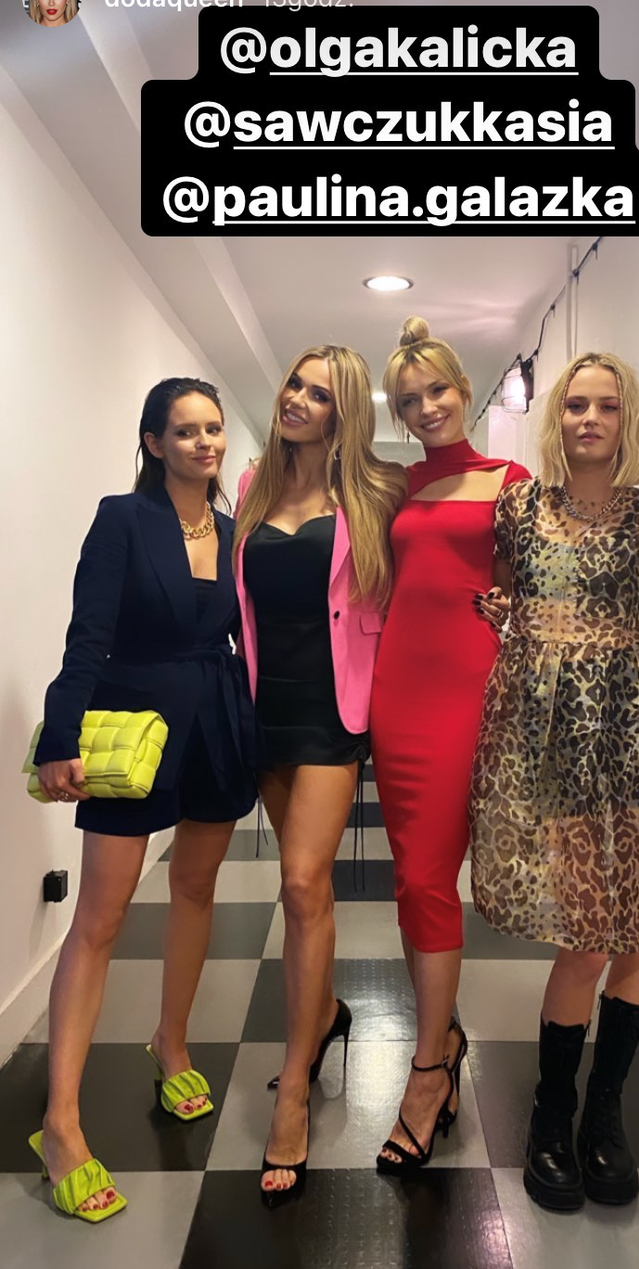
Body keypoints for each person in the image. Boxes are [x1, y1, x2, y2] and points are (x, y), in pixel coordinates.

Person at [468, 351, 639, 1211]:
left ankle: (606, 1111)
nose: (590, 419)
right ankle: (550, 1110)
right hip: (553, 749)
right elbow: (501, 600)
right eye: (576, 404)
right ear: (557, 417)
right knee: (585, 935)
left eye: (606, 405)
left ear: (625, 418)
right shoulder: (519, 509)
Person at [28, 378, 259, 1223]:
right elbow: (88, 632)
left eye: (213, 428)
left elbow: (247, 633)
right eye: (186, 430)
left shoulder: (233, 532)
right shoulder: (123, 518)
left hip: (216, 723)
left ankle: (172, 1043)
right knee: (101, 915)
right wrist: (60, 731)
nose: (205, 442)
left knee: (194, 889)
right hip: (134, 727)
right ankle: (60, 1122)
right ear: (154, 442)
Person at [233, 345, 406, 1202]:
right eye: (295, 384)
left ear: (345, 414)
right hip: (263, 707)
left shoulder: (373, 495)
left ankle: (294, 1086)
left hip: (335, 713)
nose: (298, 398)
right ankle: (327, 1012)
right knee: (303, 890)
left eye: (321, 393)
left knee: (303, 882)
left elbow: (450, 535)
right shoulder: (251, 486)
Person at [370, 317, 530, 1174]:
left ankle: (428, 1071)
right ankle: (445, 1035)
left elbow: (542, 578)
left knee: (431, 878)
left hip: (468, 688)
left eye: (437, 390)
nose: (426, 407)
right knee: (411, 879)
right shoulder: (396, 485)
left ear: (465, 390)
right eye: (409, 399)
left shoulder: (510, 480)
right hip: (397, 688)